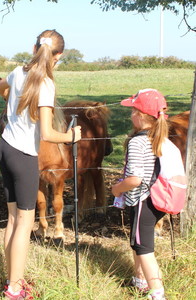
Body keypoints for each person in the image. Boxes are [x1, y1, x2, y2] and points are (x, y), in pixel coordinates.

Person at [0, 29, 81, 300]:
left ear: (34, 49)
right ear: (59, 57)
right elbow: (47, 134)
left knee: (11, 220)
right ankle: (15, 290)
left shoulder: (17, 72)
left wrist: (13, 103)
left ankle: (11, 278)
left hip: (5, 148)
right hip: (23, 157)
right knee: (25, 224)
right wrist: (71, 136)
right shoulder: (46, 84)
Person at [111, 88, 168, 300]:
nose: (130, 115)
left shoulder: (137, 141)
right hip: (155, 199)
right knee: (138, 242)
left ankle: (157, 293)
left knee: (144, 248)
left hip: (142, 200)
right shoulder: (158, 136)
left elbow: (135, 178)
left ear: (141, 115)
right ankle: (140, 280)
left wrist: (117, 189)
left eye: (133, 111)